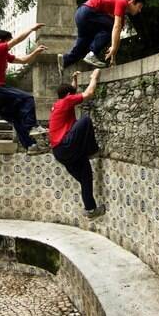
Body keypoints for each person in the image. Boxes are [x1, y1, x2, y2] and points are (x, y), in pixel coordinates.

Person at [50, 69, 105, 219]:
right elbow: (88, 94)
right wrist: (94, 77)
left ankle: (91, 210)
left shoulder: (59, 104)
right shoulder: (67, 101)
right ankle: (92, 150)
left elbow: (71, 93)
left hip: (59, 152)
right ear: (68, 96)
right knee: (85, 119)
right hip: (65, 145)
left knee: (86, 177)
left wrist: (74, 80)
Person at [0, 24, 49, 153]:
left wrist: (35, 52)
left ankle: (31, 146)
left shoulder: (4, 55)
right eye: (8, 41)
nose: (9, 45)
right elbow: (17, 40)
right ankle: (33, 126)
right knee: (28, 98)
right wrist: (31, 29)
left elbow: (23, 60)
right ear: (0, 41)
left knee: (17, 118)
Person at [56, 0, 145, 73]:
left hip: (81, 16)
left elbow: (117, 37)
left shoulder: (121, 17)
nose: (139, 11)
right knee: (112, 26)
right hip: (88, 11)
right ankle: (92, 53)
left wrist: (113, 59)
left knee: (82, 48)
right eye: (139, 7)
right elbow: (116, 27)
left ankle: (64, 61)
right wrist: (113, 46)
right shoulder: (122, 1)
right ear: (132, 1)